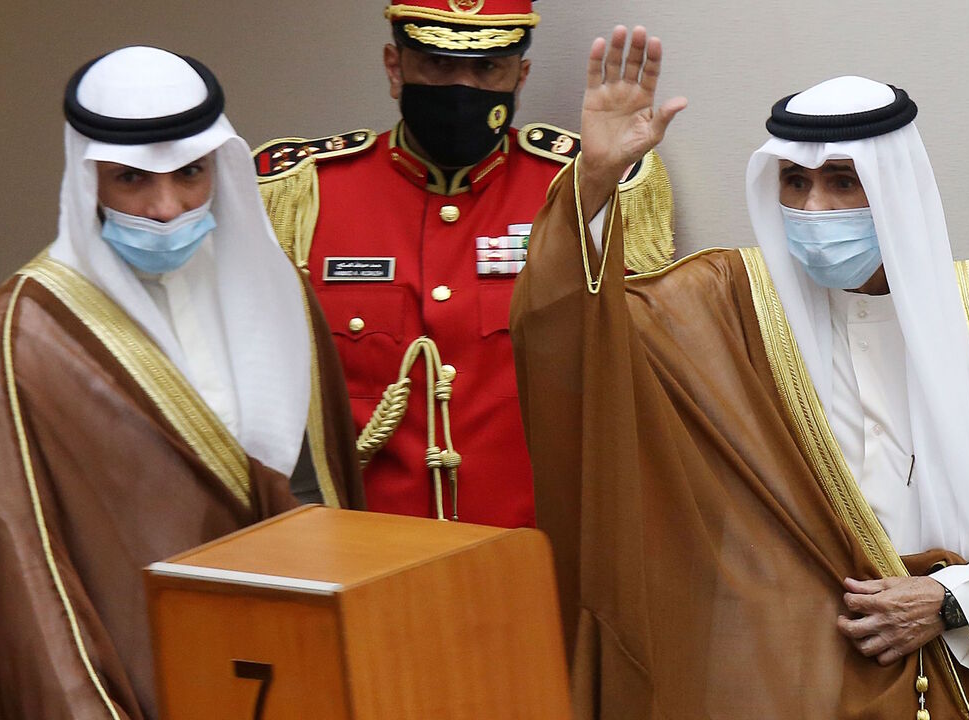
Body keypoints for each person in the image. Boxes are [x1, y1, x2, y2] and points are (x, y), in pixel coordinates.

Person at [512, 26, 969, 719]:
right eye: (795, 182)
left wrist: (949, 602)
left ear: (895, 188)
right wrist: (594, 182)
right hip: (779, 676)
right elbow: (573, 342)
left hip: (953, 676)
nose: (813, 209)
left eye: (842, 182)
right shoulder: (725, 302)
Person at [0, 46, 362, 720]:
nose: (167, 207)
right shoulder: (21, 340)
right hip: (137, 693)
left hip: (289, 678)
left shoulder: (276, 291)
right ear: (89, 181)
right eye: (131, 180)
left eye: (191, 173)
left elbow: (328, 501)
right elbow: (29, 597)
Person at [254, 0, 676, 528]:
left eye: (486, 68)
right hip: (360, 557)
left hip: (526, 558)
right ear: (394, 67)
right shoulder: (306, 193)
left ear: (520, 77)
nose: (463, 88)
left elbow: (630, 365)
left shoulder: (578, 185)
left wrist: (595, 184)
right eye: (436, 64)